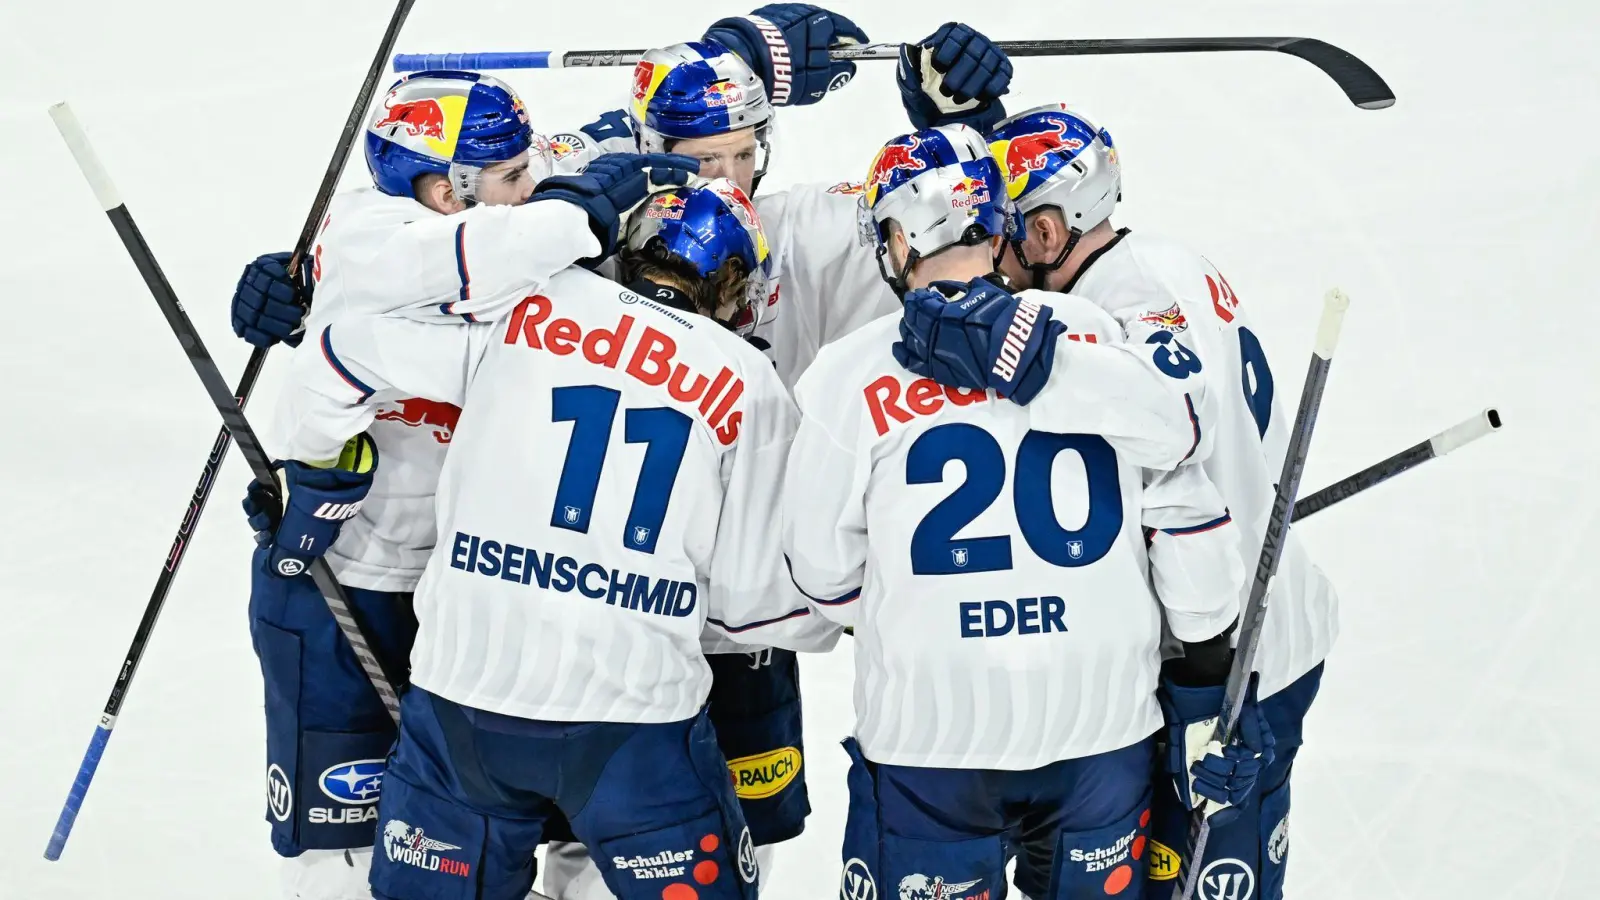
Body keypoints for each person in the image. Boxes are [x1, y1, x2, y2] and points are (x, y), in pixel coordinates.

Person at [266, 177, 836, 900]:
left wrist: (319, 481)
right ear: (736, 289)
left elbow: (336, 359)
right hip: (634, 722)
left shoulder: (524, 307)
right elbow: (755, 609)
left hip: (465, 702)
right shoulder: (749, 381)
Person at [894, 27, 1339, 898]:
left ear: (1051, 230)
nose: (985, 251)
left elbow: (1169, 420)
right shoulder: (1148, 261)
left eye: (1000, 232)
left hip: (1238, 663)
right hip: (1203, 635)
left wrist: (1015, 350)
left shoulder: (1128, 299)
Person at [237, 69, 699, 900]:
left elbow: (592, 146)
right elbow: (477, 265)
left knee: (510, 828)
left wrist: (725, 59)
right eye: (512, 178)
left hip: (474, 592)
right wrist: (574, 208)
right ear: (441, 189)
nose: (530, 189)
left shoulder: (496, 205)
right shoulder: (376, 236)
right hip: (352, 580)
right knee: (345, 847)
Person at [783, 123, 1267, 900]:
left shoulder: (848, 375)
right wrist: (1208, 687)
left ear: (900, 238)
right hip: (1102, 735)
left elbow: (822, 577)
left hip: (930, 743)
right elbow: (1185, 505)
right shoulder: (1102, 340)